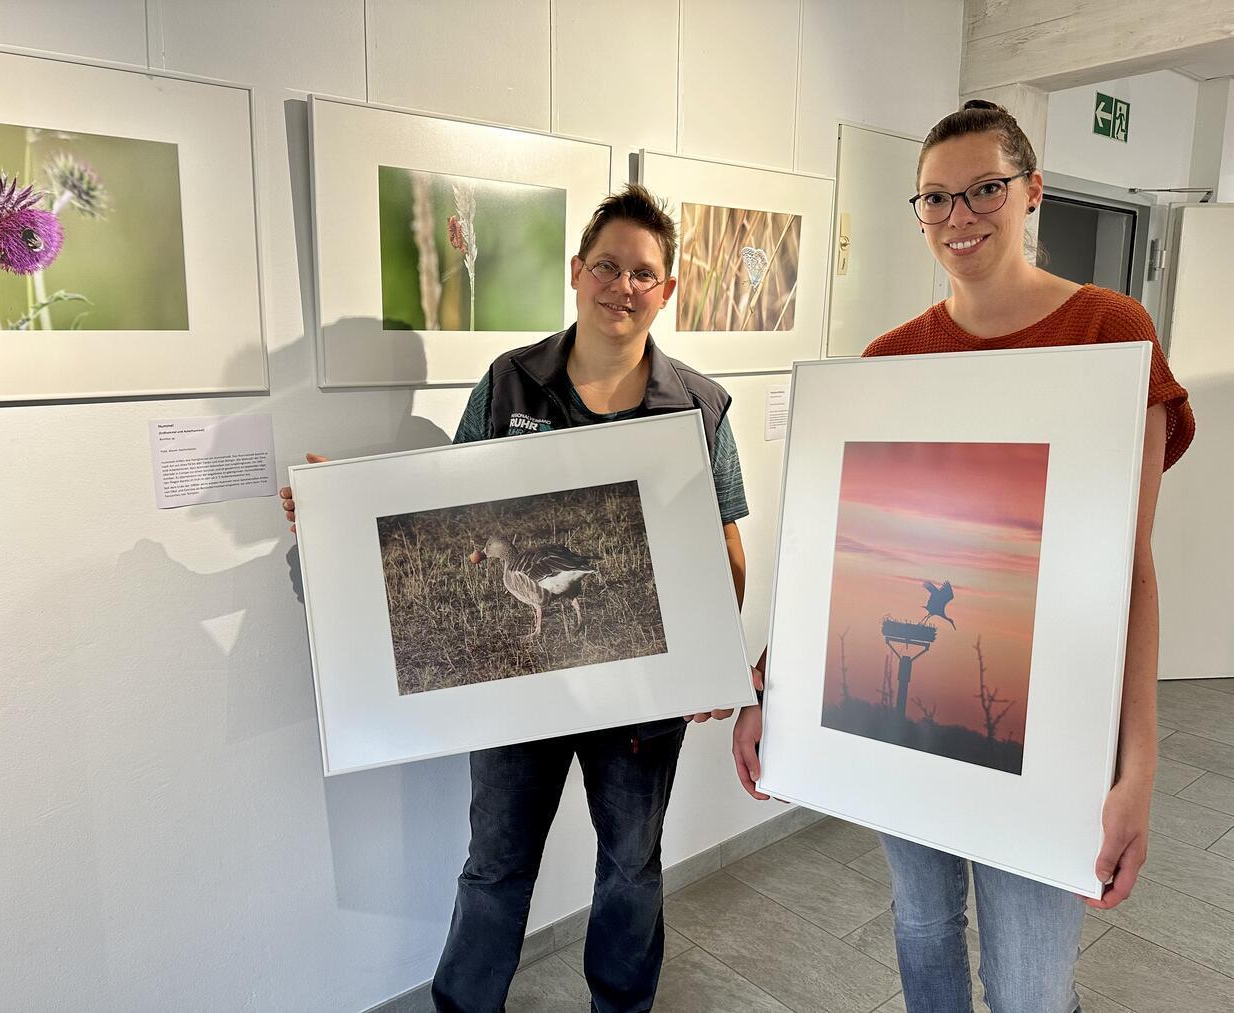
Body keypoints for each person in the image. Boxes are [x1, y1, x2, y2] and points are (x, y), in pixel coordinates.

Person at [730, 100, 1194, 1013]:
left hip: (1046, 738)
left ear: (1032, 193)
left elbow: (1128, 573)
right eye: (935, 198)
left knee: (1030, 980)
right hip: (912, 730)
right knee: (923, 931)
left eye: (985, 188)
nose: (959, 216)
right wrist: (774, 692)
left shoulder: (1109, 331)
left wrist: (1137, 768)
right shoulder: (891, 357)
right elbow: (841, 554)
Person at [281, 183, 750, 1012]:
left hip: (639, 701)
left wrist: (708, 660)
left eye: (644, 273)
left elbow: (725, 555)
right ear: (577, 271)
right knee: (495, 866)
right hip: (517, 692)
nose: (624, 287)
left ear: (667, 289)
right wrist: (335, 512)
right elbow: (448, 506)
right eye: (607, 266)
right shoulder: (510, 384)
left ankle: (623, 1005)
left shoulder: (701, 408)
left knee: (632, 868)